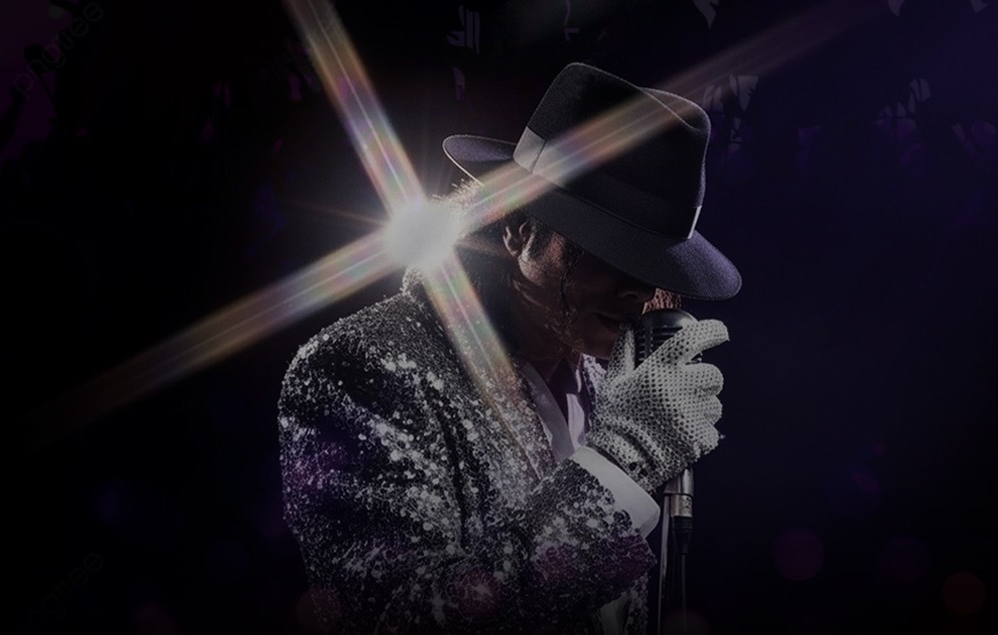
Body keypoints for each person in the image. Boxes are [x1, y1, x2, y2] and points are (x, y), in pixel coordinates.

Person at [277, 62, 742, 634]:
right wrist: (621, 463)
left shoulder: (612, 386)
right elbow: (395, 622)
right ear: (520, 229)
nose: (641, 290)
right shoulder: (362, 366)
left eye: (654, 265)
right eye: (613, 252)